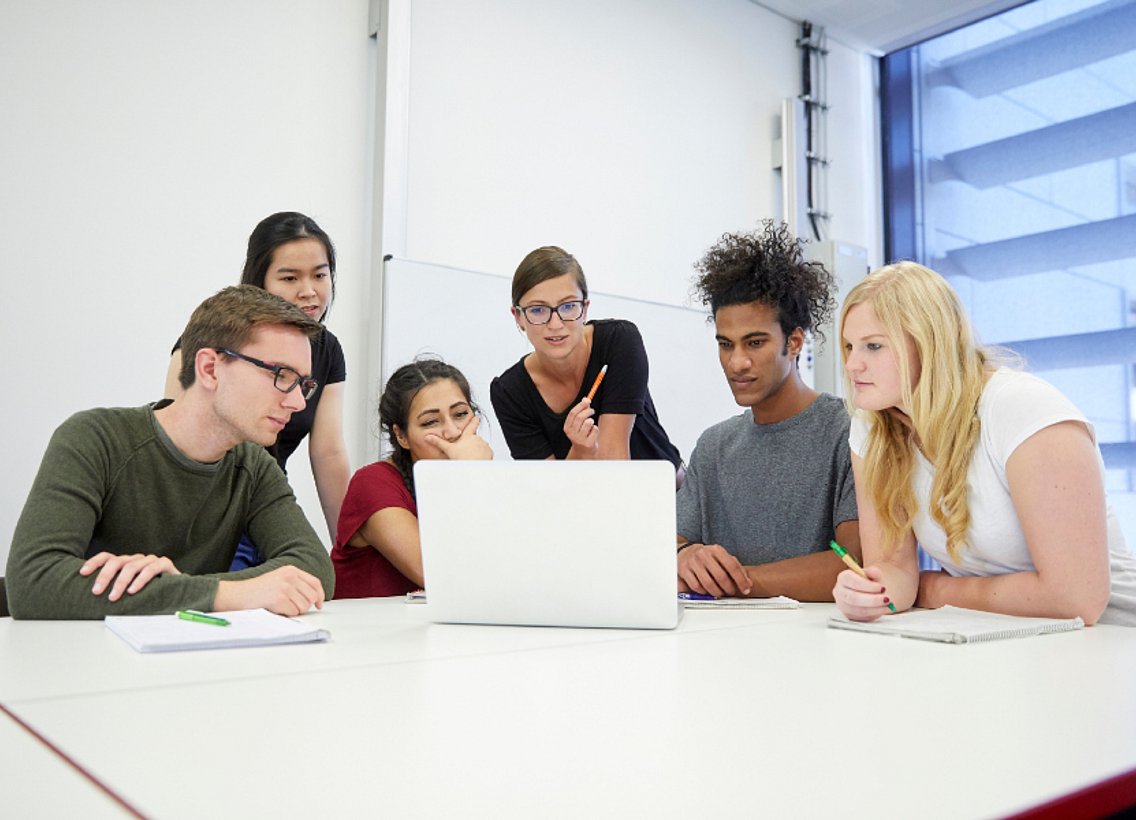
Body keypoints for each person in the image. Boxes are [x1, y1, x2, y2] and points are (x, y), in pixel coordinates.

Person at [833, 262, 1136, 626]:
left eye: (874, 346)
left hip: (1112, 635)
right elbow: (894, 571)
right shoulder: (873, 428)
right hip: (1003, 634)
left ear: (929, 345)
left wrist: (937, 591)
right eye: (850, 346)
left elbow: (1076, 599)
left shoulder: (1021, 408)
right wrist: (870, 597)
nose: (852, 364)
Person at [7, 286, 336, 619]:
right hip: (84, 661)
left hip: (191, 663)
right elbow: (33, 582)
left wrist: (180, 591)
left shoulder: (254, 466)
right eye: (282, 375)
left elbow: (312, 568)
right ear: (210, 368)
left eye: (304, 385)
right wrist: (226, 593)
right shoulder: (95, 438)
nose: (297, 402)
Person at [676, 221, 860, 601]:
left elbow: (854, 565)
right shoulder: (713, 447)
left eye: (754, 342)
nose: (736, 362)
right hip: (716, 646)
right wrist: (684, 556)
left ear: (794, 342)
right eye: (725, 345)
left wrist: (737, 581)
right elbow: (668, 550)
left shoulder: (848, 432)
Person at [165, 212, 350, 550]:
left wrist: (348, 549)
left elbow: (329, 452)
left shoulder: (328, 350)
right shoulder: (210, 339)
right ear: (259, 281)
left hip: (267, 505)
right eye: (290, 278)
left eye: (320, 275)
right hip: (207, 515)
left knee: (310, 580)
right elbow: (176, 438)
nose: (309, 291)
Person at [490, 246, 682, 473]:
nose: (555, 324)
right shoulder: (510, 392)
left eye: (569, 306)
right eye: (538, 310)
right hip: (583, 503)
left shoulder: (619, 340)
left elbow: (614, 464)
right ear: (518, 317)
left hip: (671, 496)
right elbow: (550, 491)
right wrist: (580, 451)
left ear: (585, 308)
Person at [332, 358, 493, 598]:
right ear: (401, 436)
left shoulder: (476, 476)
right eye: (431, 422)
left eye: (460, 414)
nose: (453, 432)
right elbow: (439, 574)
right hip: (369, 631)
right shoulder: (371, 483)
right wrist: (470, 474)